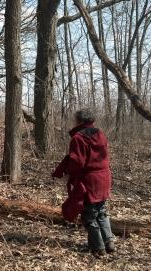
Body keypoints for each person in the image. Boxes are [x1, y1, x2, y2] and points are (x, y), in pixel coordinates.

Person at [52, 109, 115, 257]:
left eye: (74, 120)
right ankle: (109, 242)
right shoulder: (100, 134)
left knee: (89, 215)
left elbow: (77, 162)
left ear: (79, 121)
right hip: (104, 178)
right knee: (101, 212)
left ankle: (98, 248)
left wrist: (68, 173)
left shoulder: (78, 138)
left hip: (90, 181)